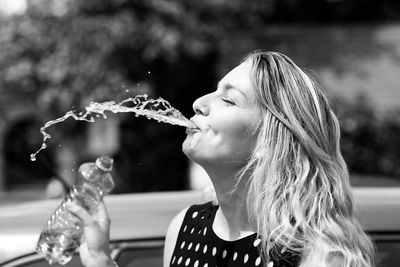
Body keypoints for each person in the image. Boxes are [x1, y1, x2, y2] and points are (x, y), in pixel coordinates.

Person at [67, 50, 376, 267]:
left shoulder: (314, 254)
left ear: (269, 142)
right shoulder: (185, 229)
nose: (199, 103)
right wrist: (100, 259)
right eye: (213, 92)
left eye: (228, 99)